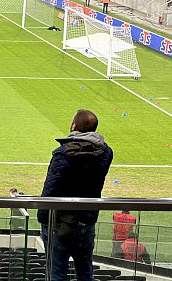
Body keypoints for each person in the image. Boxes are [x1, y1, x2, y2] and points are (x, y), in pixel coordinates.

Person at [38, 109, 113, 281]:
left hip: (58, 221)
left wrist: (43, 217)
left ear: (73, 126)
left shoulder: (63, 154)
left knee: (56, 274)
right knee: (86, 273)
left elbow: (50, 189)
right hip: (86, 220)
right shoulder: (106, 153)